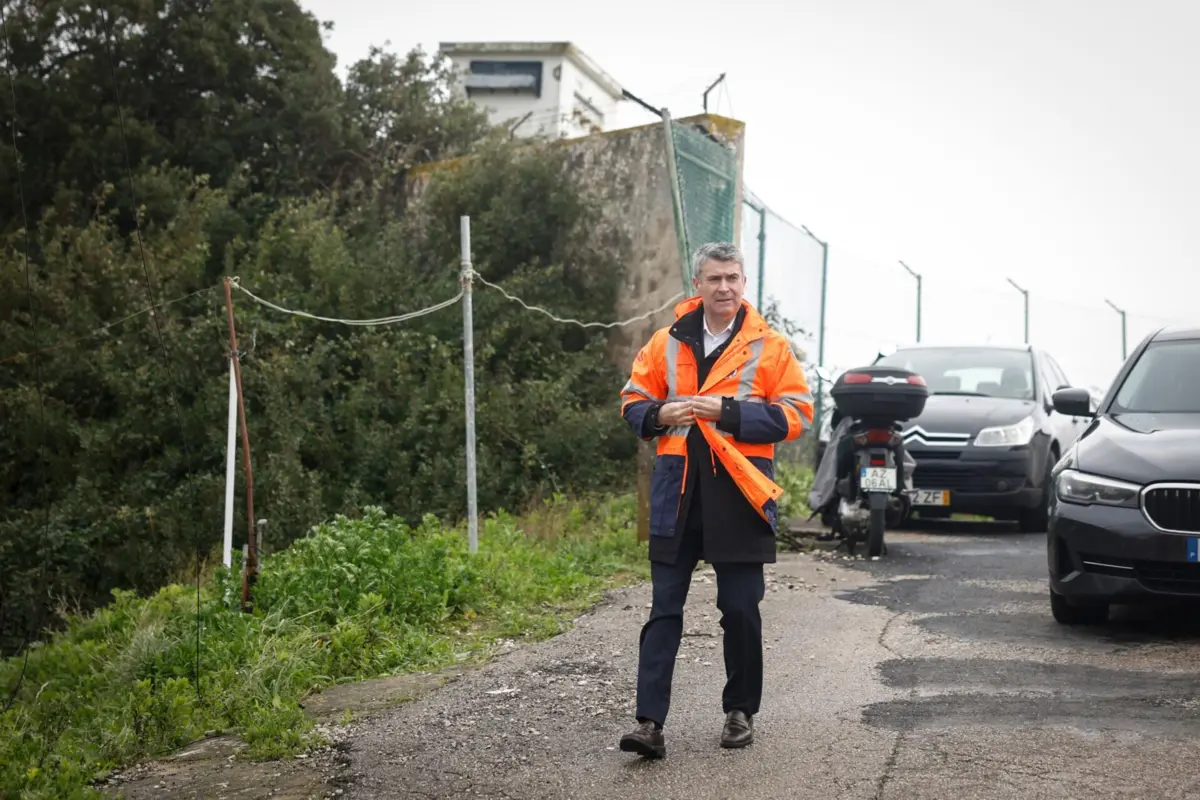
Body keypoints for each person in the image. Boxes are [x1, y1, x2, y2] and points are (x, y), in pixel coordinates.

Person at [617, 241, 814, 758]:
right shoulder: (664, 342)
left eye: (732, 278)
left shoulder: (769, 346)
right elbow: (632, 401)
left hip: (741, 491)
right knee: (664, 610)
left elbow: (797, 413)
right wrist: (660, 415)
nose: (723, 287)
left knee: (741, 608)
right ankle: (649, 724)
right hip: (676, 490)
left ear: (744, 283)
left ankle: (740, 712)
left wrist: (726, 412)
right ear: (697, 285)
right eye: (714, 279)